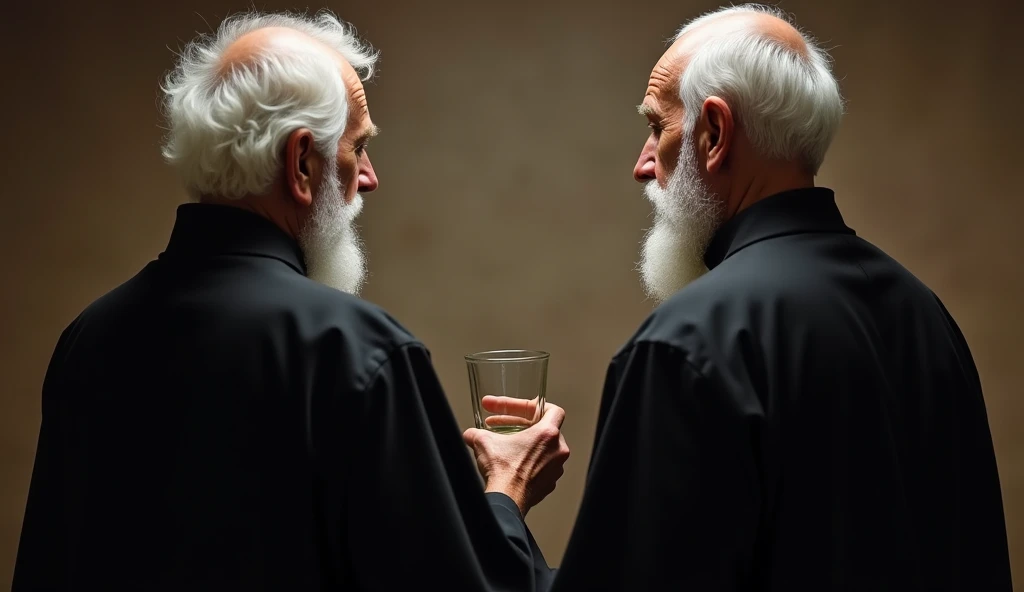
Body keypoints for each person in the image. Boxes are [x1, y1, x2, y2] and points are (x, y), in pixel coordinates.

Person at [13, 10, 569, 591]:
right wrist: (506, 489)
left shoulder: (88, 338)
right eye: (359, 148)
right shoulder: (357, 349)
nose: (370, 177)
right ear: (302, 163)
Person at [467, 3, 1013, 590]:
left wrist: (505, 495)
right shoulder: (927, 316)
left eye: (657, 127)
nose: (642, 165)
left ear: (715, 132)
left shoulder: (686, 344)